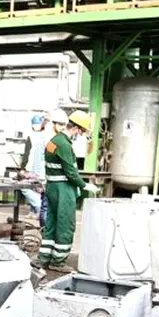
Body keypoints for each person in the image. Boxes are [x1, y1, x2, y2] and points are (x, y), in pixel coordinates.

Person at [37, 109, 99, 269]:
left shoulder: (53, 141)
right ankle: (58, 262)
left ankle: (43, 258)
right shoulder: (64, 144)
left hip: (52, 187)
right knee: (65, 224)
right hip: (63, 189)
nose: (81, 134)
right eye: (82, 131)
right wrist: (85, 185)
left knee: (51, 223)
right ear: (77, 128)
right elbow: (70, 171)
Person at [21, 113, 53, 225]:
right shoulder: (43, 137)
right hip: (38, 170)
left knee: (32, 190)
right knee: (35, 191)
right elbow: (35, 156)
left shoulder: (45, 138)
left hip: (39, 171)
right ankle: (35, 211)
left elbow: (32, 155)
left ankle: (37, 208)